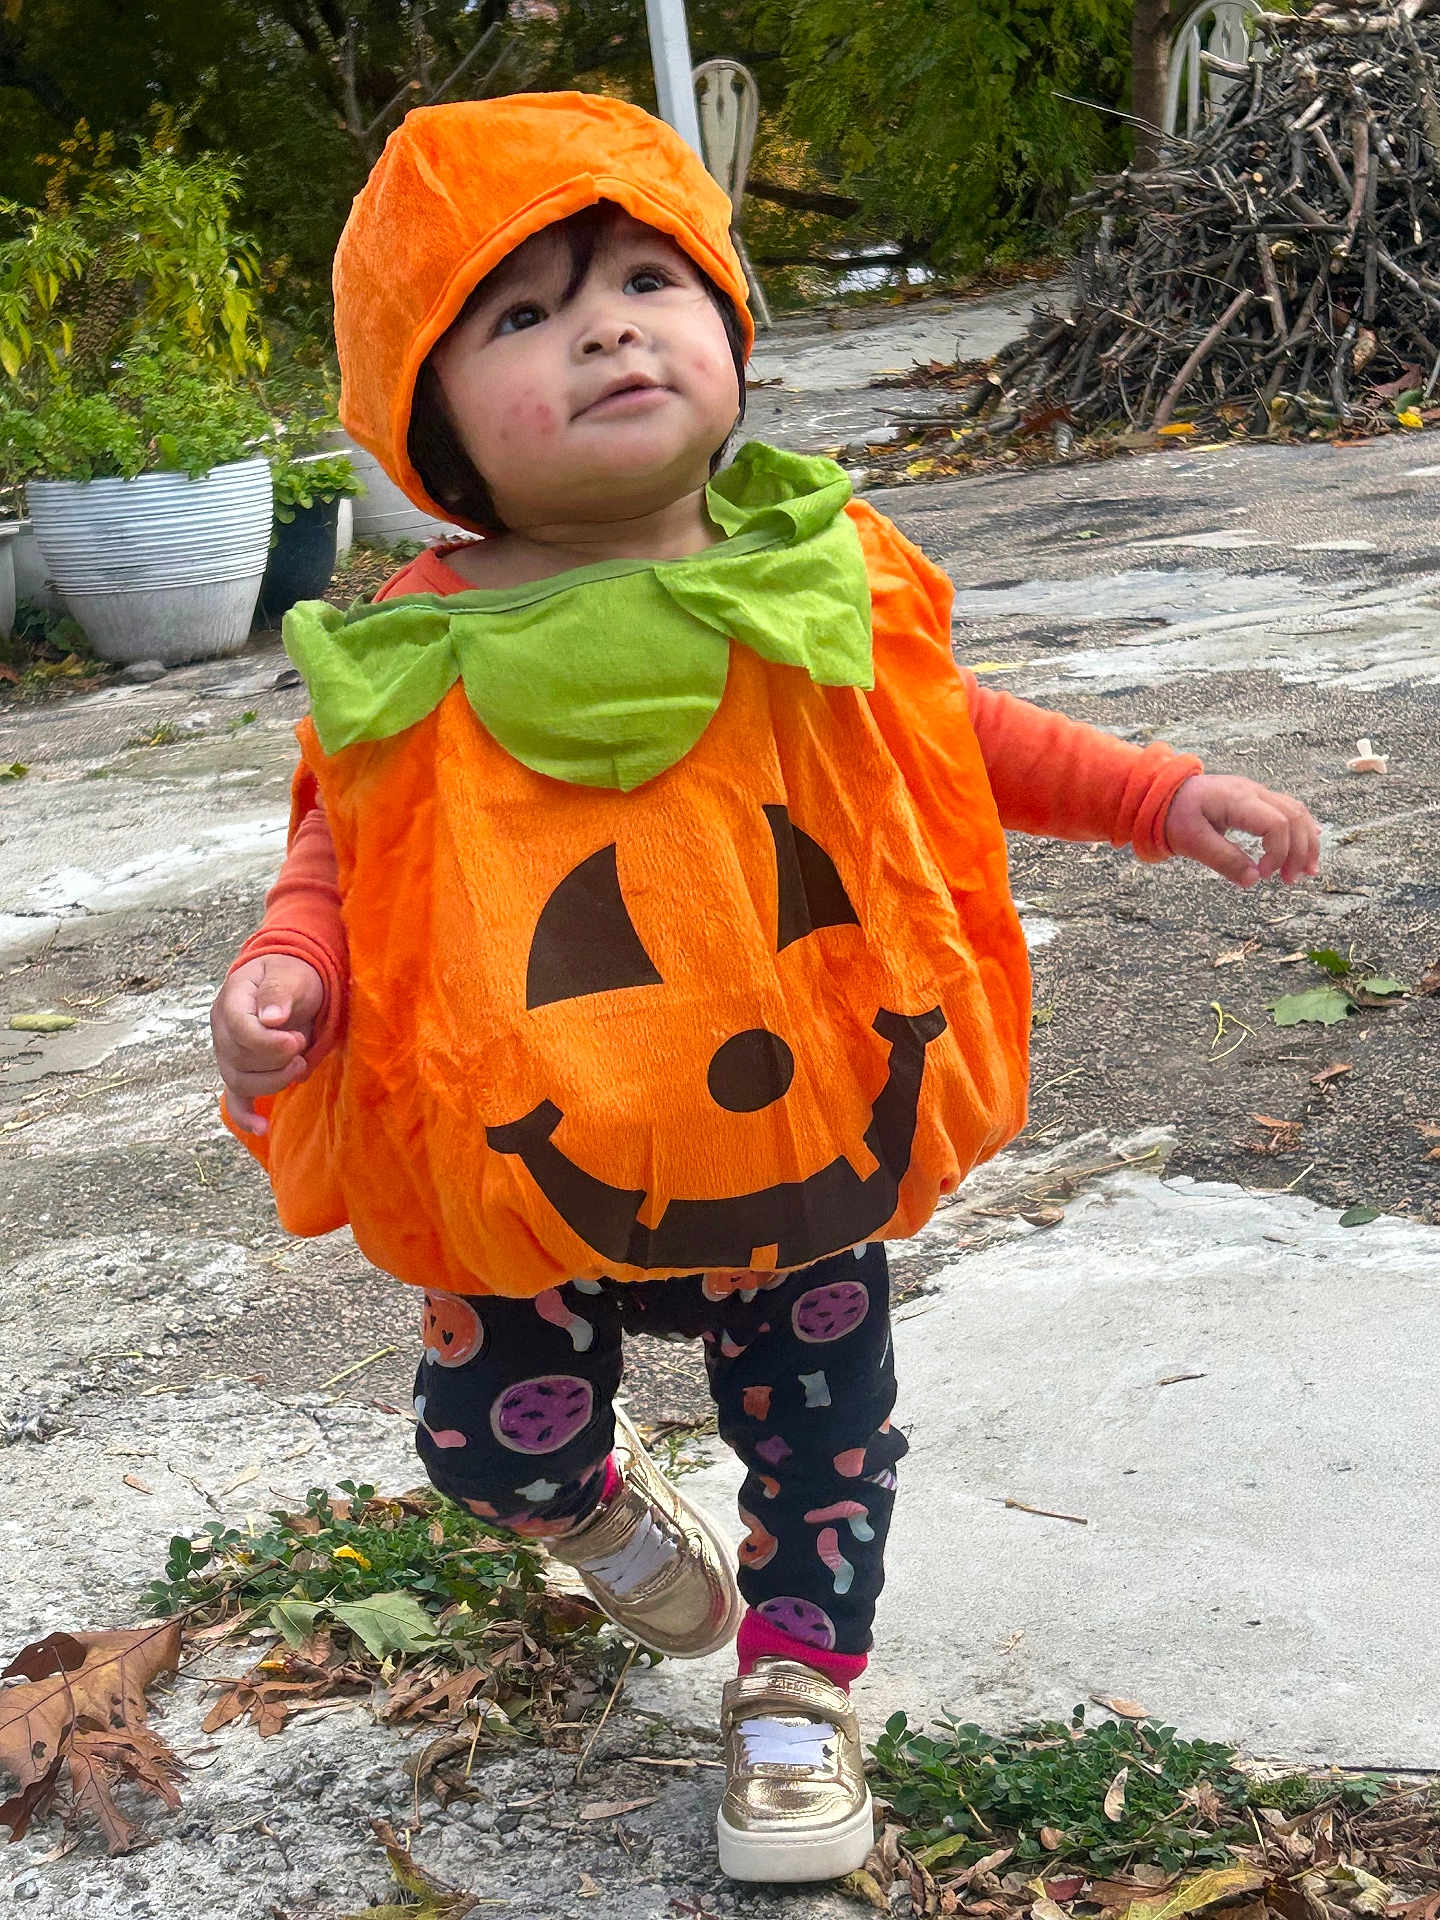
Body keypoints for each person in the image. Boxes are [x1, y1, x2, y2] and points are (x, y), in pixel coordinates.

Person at [211, 93, 1320, 1885]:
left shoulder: (812, 578)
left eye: (646, 282)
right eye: (525, 314)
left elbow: (952, 740)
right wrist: (285, 970)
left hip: (800, 1120)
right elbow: (349, 857)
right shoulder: (412, 648)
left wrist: (1152, 795)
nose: (607, 332)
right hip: (533, 1145)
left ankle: (797, 1689)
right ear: (431, 424)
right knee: (488, 1452)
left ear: (729, 325)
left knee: (824, 1443)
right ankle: (596, 1515)